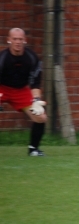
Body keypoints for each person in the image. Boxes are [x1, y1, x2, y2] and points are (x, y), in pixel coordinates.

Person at [0, 28, 47, 156]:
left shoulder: (32, 58)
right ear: (9, 40)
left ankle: (33, 149)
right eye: (14, 39)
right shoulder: (2, 58)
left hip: (21, 90)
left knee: (41, 116)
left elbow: (35, 83)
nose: (17, 42)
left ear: (25, 41)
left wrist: (36, 101)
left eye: (20, 39)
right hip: (2, 89)